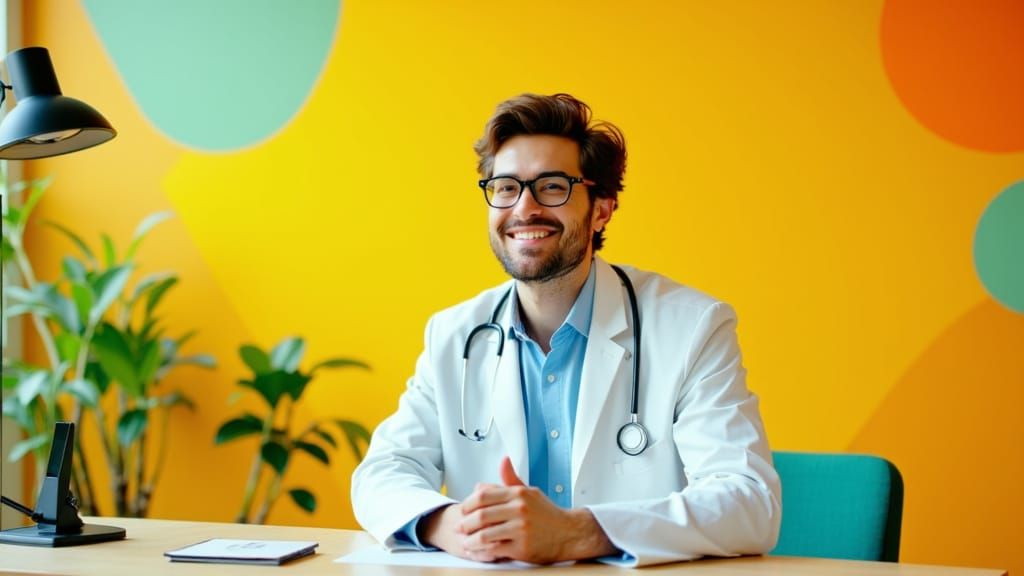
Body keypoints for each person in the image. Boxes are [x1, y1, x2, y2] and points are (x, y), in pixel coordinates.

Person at [351, 93, 781, 566]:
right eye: (505, 187)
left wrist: (577, 534)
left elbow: (750, 503)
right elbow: (381, 475)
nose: (524, 208)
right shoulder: (455, 334)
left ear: (601, 209)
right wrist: (448, 524)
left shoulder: (692, 327)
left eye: (552, 186)